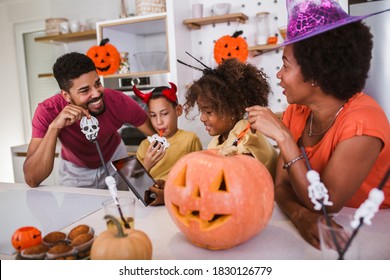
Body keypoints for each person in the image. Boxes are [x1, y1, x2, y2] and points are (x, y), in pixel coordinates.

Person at [246, 0, 390, 249]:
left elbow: (326, 205)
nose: (279, 75)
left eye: (285, 65)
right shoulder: (298, 111)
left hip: (369, 235)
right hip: (324, 234)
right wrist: (302, 217)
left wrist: (284, 137)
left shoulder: (364, 121)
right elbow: (281, 187)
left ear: (315, 75)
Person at [24, 52, 155, 189]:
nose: (97, 94)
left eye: (97, 84)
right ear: (66, 95)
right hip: (74, 171)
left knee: (131, 205)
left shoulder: (118, 101)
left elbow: (160, 136)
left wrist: (146, 168)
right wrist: (54, 127)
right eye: (85, 90)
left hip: (117, 158)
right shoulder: (48, 111)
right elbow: (32, 179)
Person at [181, 57, 277, 178]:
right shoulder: (215, 143)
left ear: (231, 110)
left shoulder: (247, 134)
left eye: (209, 112)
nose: (202, 118)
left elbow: (238, 175)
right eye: (201, 111)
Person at [133, 82, 203, 205]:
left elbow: (199, 179)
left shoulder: (190, 139)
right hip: (150, 204)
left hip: (180, 202)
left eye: (164, 114)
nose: (159, 122)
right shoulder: (145, 145)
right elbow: (134, 186)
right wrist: (146, 165)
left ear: (178, 110)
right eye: (153, 115)